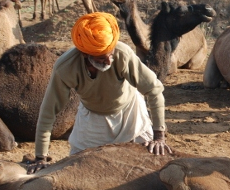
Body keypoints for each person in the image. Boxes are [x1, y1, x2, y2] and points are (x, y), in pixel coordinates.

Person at [27, 12, 171, 173]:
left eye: (110, 54)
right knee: (79, 169)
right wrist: (40, 157)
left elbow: (154, 89)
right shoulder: (66, 67)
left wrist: (159, 136)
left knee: (145, 166)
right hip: (92, 119)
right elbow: (48, 111)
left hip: (131, 114)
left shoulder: (122, 54)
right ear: (85, 54)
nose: (109, 61)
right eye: (102, 58)